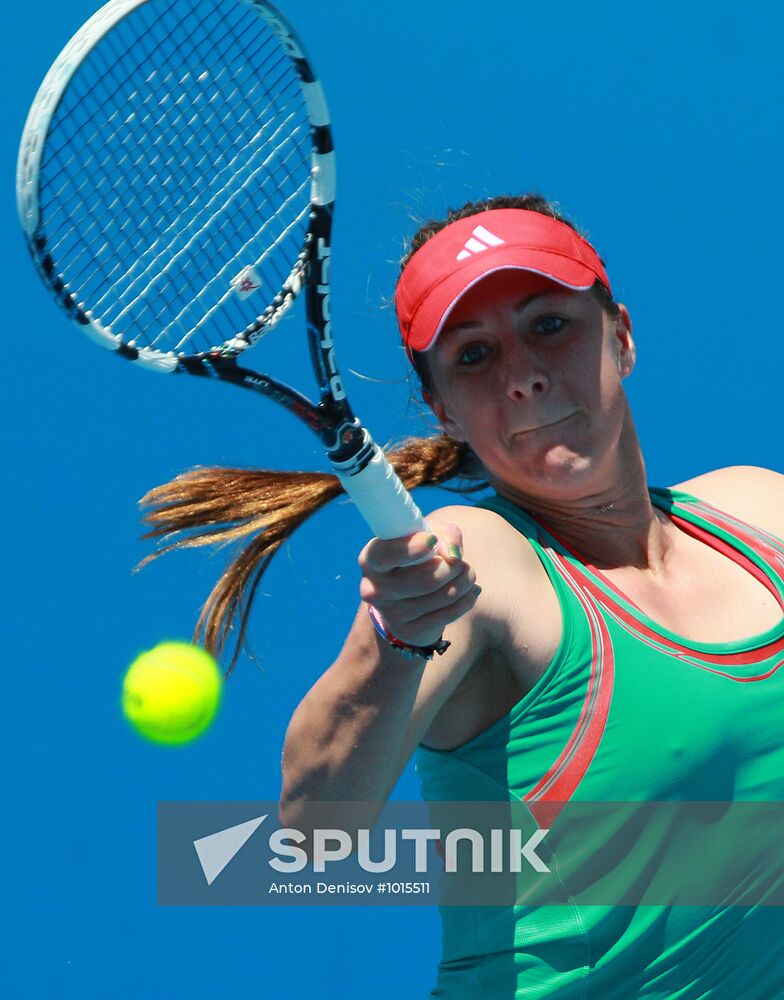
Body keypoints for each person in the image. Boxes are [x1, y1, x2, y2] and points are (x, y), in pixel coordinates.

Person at [142, 194, 784, 997]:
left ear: (620, 335)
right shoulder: (478, 555)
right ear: (443, 409)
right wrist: (396, 643)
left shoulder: (761, 510)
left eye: (549, 323)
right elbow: (312, 834)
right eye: (475, 355)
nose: (522, 375)